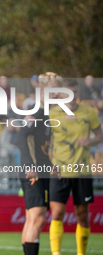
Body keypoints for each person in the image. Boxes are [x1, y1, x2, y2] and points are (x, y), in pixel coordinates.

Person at [49, 78, 103, 255]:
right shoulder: (52, 114)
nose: (71, 98)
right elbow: (46, 143)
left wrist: (91, 140)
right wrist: (50, 164)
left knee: (82, 214)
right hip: (59, 171)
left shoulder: (88, 112)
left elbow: (99, 135)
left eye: (74, 93)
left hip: (82, 171)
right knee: (57, 213)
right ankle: (56, 253)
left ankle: (82, 253)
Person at [17, 72, 62, 255]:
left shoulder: (47, 113)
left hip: (40, 169)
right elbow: (21, 135)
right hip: (33, 172)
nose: (57, 94)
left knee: (32, 219)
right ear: (43, 90)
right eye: (54, 90)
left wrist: (50, 165)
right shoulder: (38, 111)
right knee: (37, 218)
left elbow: (40, 146)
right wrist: (30, 166)